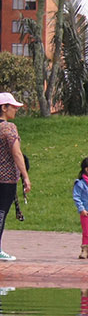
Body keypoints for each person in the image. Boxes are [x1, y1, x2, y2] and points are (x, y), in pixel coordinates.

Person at [0, 92, 30, 262]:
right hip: (5, 180)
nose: (15, 111)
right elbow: (16, 152)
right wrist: (25, 176)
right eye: (13, 107)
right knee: (1, 214)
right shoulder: (9, 128)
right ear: (4, 108)